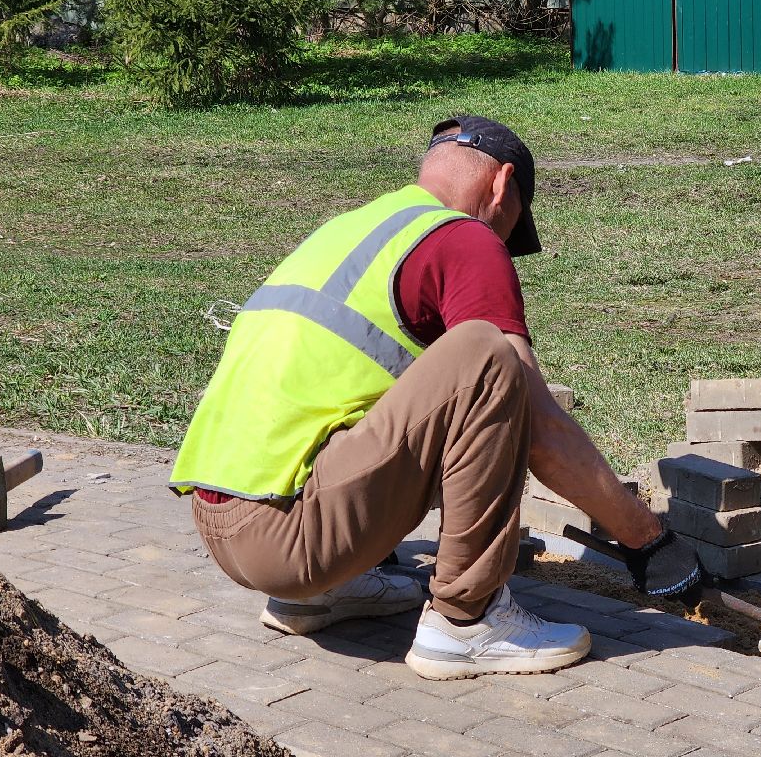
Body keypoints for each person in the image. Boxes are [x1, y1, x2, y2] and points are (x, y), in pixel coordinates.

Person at [169, 115, 702, 680]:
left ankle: (327, 592)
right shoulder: (464, 237)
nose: (502, 240)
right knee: (488, 356)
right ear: (501, 185)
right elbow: (542, 427)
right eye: (512, 225)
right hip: (292, 538)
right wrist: (648, 540)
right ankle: (467, 623)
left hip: (223, 526)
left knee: (421, 379)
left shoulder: (352, 230)